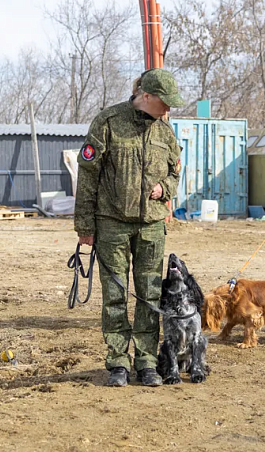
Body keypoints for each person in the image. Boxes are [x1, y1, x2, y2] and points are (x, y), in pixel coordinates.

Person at [75, 68, 184, 387]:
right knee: (115, 294)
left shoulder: (165, 131)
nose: (169, 107)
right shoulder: (108, 122)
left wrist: (164, 188)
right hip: (112, 224)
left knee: (150, 294)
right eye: (165, 101)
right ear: (146, 96)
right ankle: (118, 363)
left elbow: (175, 172)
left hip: (151, 226)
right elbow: (88, 175)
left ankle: (147, 362)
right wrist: (84, 223)